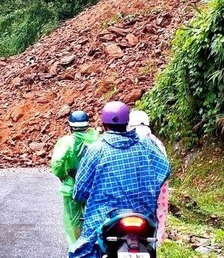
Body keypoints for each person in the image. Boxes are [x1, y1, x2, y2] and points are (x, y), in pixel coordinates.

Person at [70, 102, 170, 258]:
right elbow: (164, 169)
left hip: (104, 217)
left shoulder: (96, 149)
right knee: (149, 244)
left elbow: (80, 190)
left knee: (82, 252)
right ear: (127, 122)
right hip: (143, 214)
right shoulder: (146, 144)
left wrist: (81, 195)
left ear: (104, 125)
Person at [51, 110, 100, 247]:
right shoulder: (97, 138)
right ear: (87, 125)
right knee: (95, 216)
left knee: (73, 221)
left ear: (70, 126)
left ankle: (77, 248)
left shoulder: (67, 141)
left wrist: (63, 175)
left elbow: (57, 163)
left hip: (72, 185)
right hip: (94, 186)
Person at [128, 110, 169, 245]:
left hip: (134, 188)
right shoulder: (157, 142)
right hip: (158, 187)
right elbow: (165, 167)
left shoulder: (129, 139)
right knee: (159, 211)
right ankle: (156, 239)